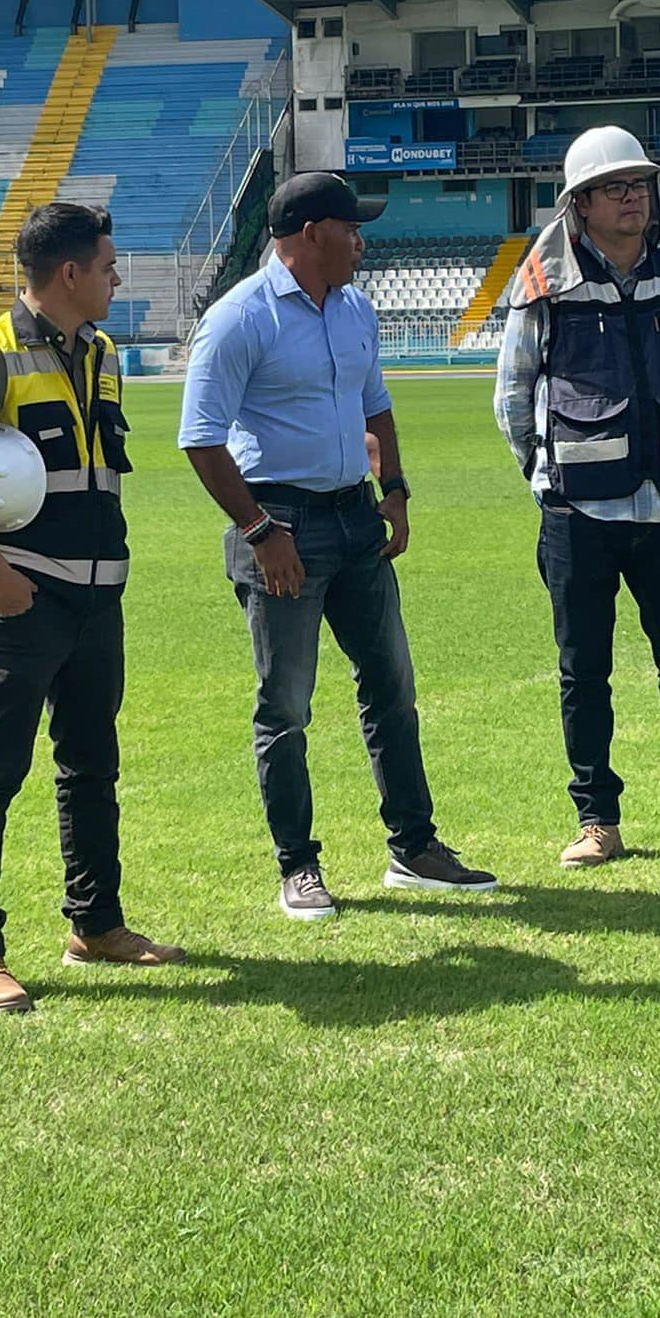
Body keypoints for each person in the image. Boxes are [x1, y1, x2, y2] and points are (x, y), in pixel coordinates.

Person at [178, 171, 497, 918]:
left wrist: (394, 491)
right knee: (285, 705)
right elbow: (200, 440)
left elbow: (374, 402)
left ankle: (414, 847)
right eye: (352, 228)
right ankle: (298, 866)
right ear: (312, 234)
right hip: (281, 523)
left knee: (393, 686)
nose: (362, 241)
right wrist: (261, 532)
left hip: (356, 520)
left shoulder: (355, 308)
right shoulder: (238, 318)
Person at [0, 202, 184, 1013]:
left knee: (92, 766)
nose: (116, 276)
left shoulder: (101, 352)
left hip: (98, 601)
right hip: (16, 605)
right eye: (107, 265)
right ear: (69, 273)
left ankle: (95, 924)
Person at [495, 126, 660, 867]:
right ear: (578, 204)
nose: (633, 198)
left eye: (640, 185)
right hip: (578, 512)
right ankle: (596, 820)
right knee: (585, 669)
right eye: (616, 188)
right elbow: (513, 395)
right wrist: (547, 475)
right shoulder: (541, 281)